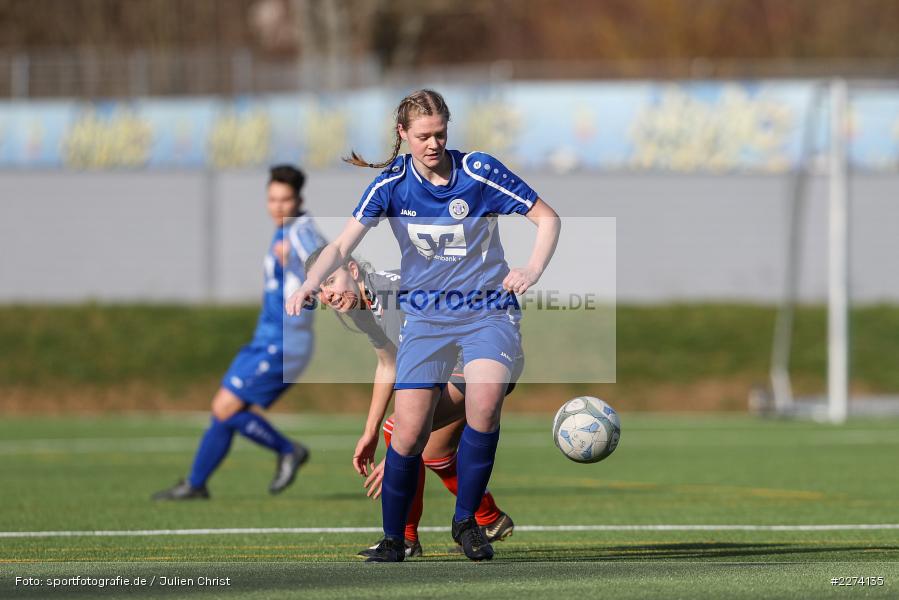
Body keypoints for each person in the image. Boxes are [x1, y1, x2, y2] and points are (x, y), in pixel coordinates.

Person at [286, 89, 560, 562]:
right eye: (423, 136)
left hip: (486, 312)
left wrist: (532, 270)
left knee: (485, 401)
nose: (433, 144)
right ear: (403, 135)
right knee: (408, 433)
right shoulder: (391, 183)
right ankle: (396, 540)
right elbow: (342, 244)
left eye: (440, 134)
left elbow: (547, 218)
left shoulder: (478, 171)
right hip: (427, 320)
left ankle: (467, 523)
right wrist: (310, 281)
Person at [303, 248, 518, 558]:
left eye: (330, 281)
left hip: (478, 355)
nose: (328, 295)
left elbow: (431, 357)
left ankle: (404, 539)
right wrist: (369, 430)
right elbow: (388, 365)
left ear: (352, 269)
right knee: (435, 452)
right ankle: (489, 518)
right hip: (452, 365)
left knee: (402, 429)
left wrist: (395, 446)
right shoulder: (364, 306)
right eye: (319, 289)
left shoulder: (392, 295)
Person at [153, 165, 326, 500]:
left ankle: (287, 450)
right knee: (222, 407)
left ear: (299, 200)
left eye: (285, 199)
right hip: (266, 339)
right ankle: (196, 483)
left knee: (228, 407)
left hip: (286, 340)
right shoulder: (284, 231)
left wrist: (304, 273)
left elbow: (326, 276)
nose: (277, 206)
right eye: (272, 199)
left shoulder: (302, 233)